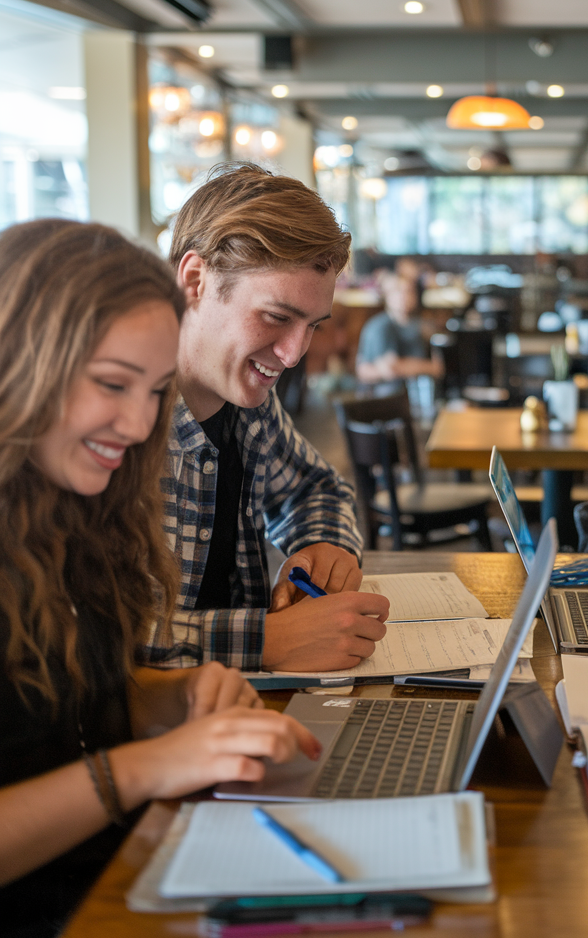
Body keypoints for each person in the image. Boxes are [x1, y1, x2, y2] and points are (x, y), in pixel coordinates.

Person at [0, 220, 320, 938]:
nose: (140, 423)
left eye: (153, 392)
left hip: (119, 879)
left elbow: (57, 711)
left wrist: (169, 700)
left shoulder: (71, 509)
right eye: (113, 385)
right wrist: (144, 768)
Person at [143, 163, 389, 673]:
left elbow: (313, 489)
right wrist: (264, 640)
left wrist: (323, 542)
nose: (295, 354)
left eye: (312, 326)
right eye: (276, 317)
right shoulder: (116, 422)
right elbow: (86, 633)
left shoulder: (245, 402)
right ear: (194, 280)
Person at [356, 271, 443, 384]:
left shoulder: (420, 325)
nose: (403, 296)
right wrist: (430, 367)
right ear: (387, 295)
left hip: (417, 391)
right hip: (386, 395)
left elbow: (440, 363)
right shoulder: (380, 327)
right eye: (397, 291)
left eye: (409, 291)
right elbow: (391, 368)